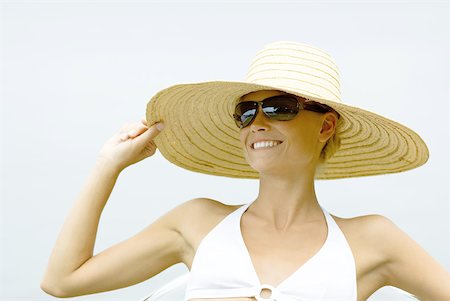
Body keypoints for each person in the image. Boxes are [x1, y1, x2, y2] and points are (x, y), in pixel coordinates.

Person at [41, 41, 450, 301]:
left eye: (278, 107)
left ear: (326, 126)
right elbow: (63, 281)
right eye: (246, 111)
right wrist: (107, 167)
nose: (258, 122)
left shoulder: (373, 239)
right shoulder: (196, 221)